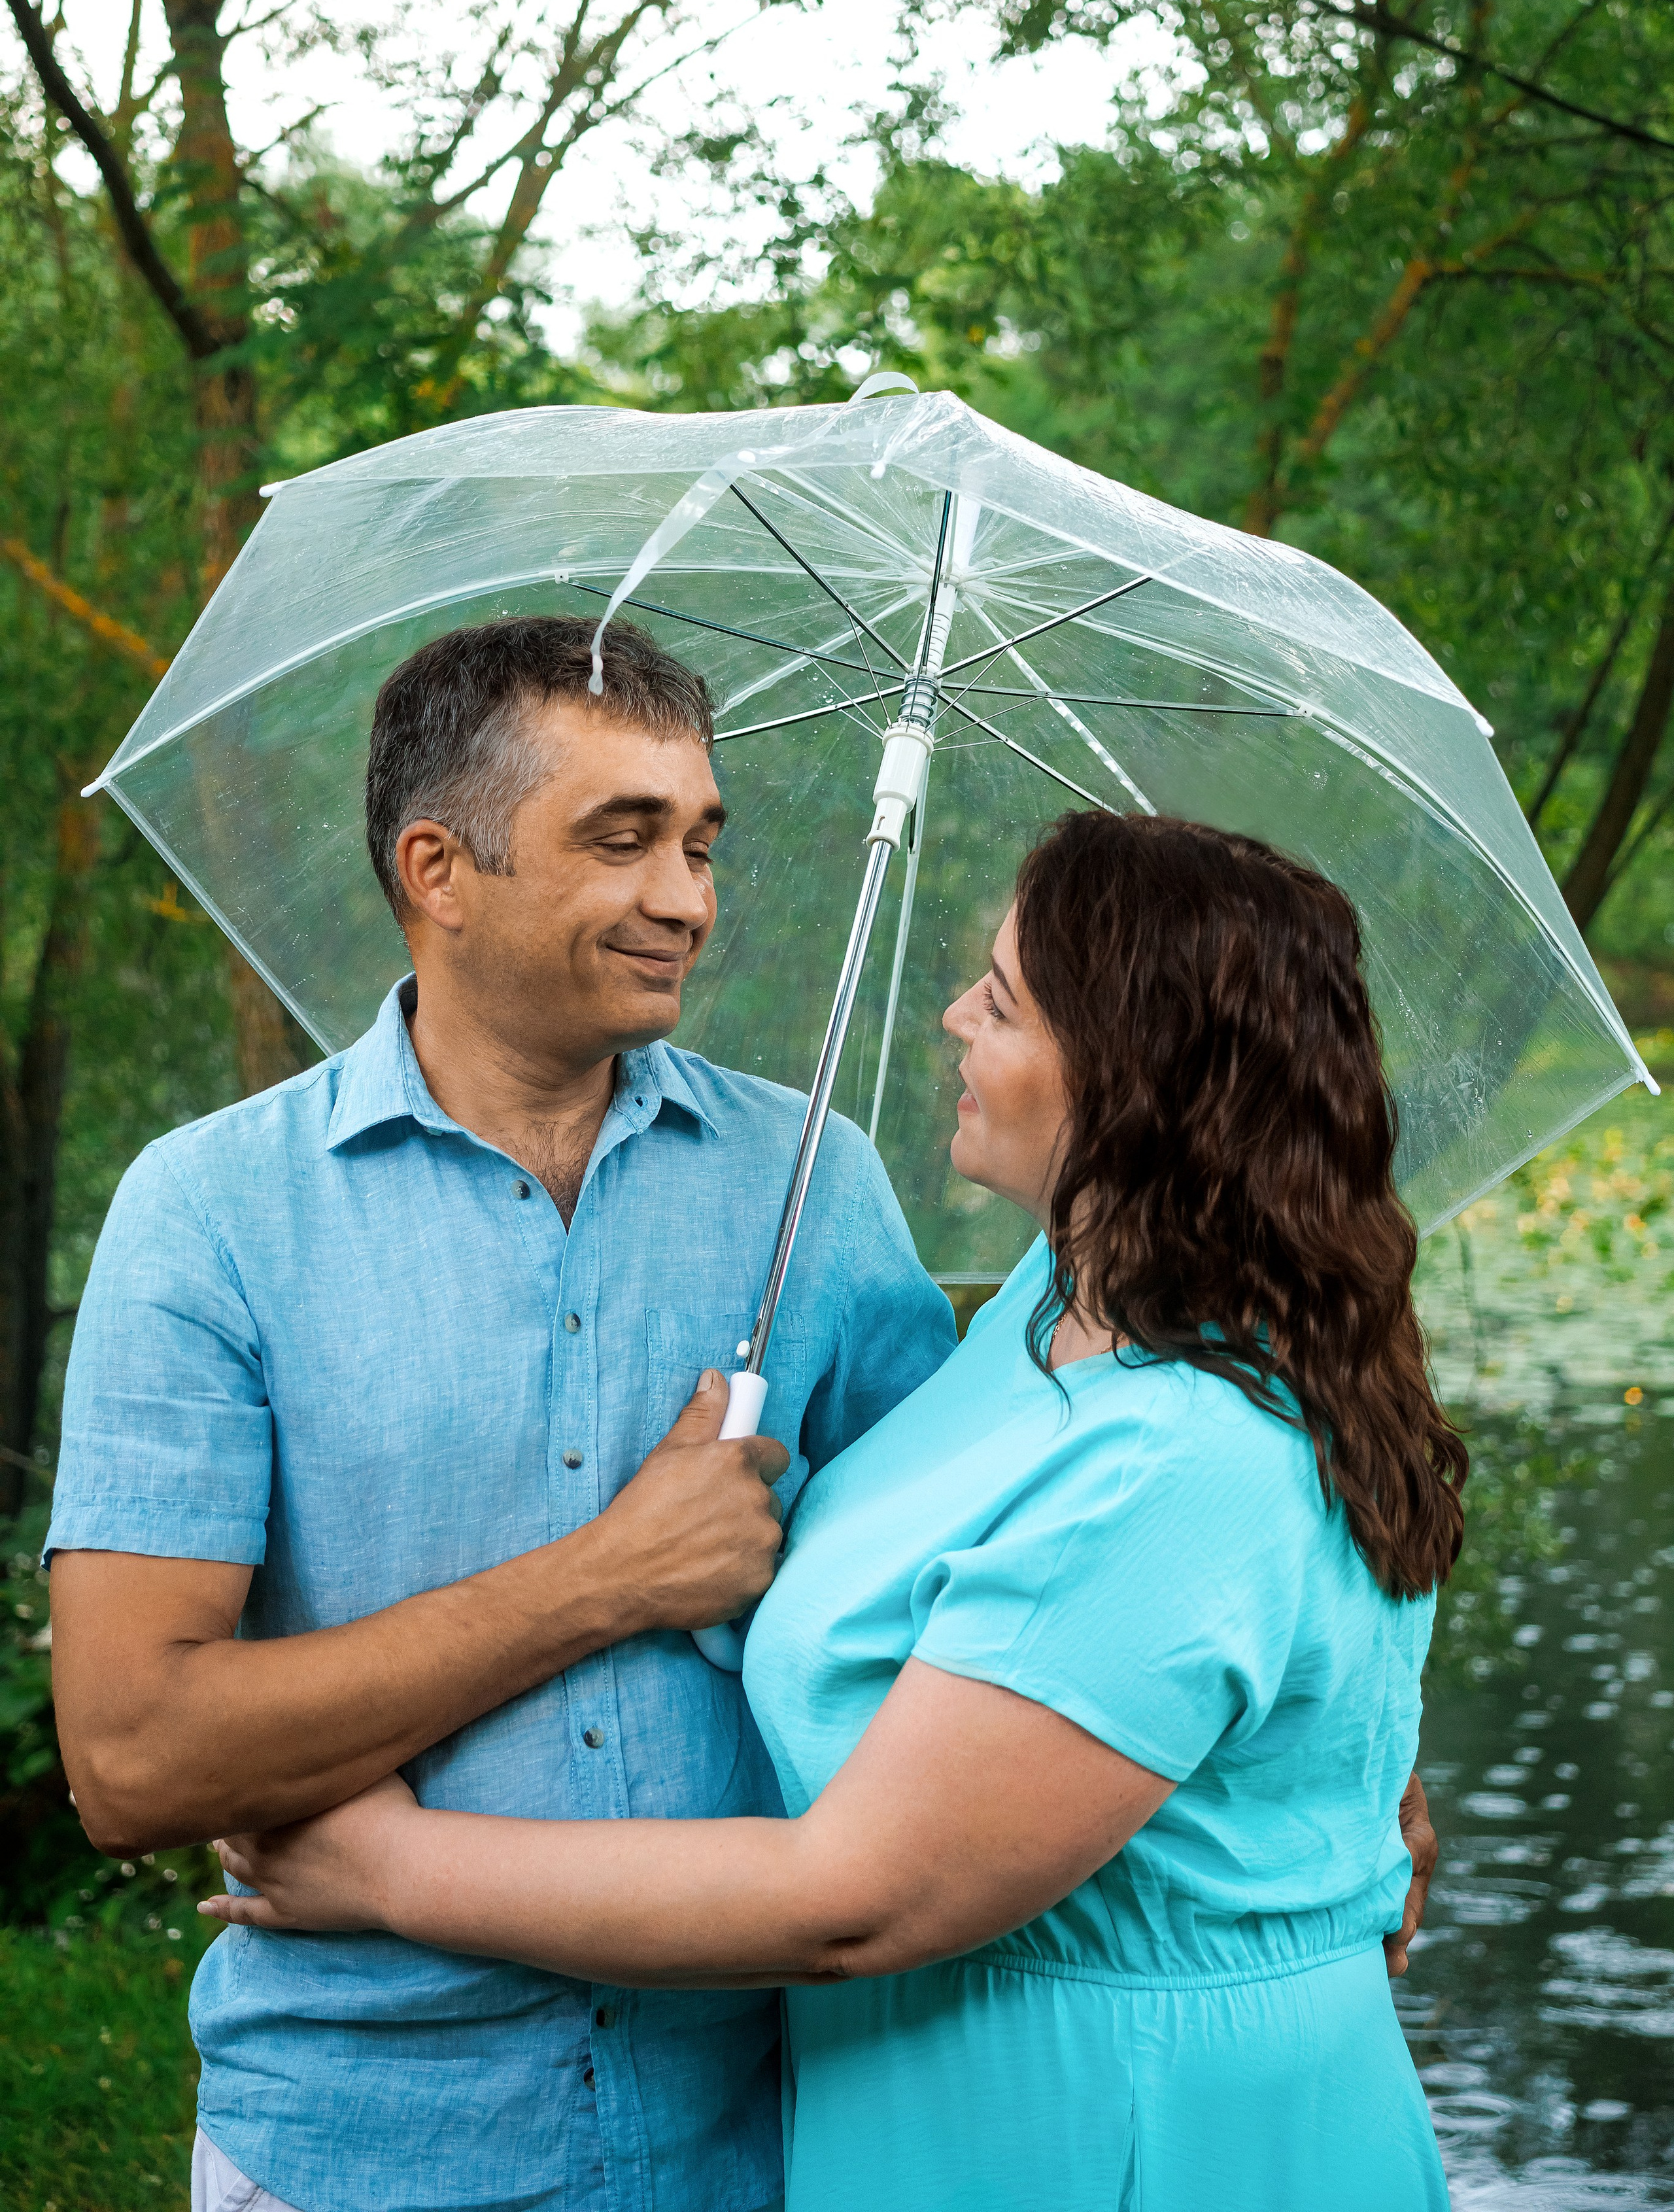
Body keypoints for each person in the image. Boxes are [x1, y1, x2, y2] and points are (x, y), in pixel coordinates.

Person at [203, 810, 1461, 2212]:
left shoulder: (1183, 1454)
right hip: (938, 2117)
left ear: (1132, 1077)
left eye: (1001, 1002)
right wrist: (669, 1544)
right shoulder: (1056, 1311)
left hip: (1134, 2135)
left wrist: (383, 1867)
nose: (953, 1016)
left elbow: (852, 1899)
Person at [45, 615, 958, 2212]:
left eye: (699, 843)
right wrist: (612, 1577)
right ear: (439, 869)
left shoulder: (813, 1182)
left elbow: (972, 1610)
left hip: (758, 2139)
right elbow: (132, 1761)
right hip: (359, 2147)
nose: (687, 899)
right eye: (622, 839)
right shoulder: (211, 1214)